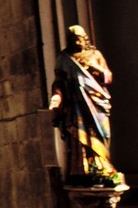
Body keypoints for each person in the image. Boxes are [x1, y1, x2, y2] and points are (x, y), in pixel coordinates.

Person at [49, 24, 120, 184]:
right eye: (73, 40)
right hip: (76, 106)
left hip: (96, 102)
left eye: (79, 39)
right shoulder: (64, 58)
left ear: (85, 39)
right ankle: (81, 170)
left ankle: (103, 168)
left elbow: (108, 77)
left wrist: (97, 68)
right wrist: (56, 97)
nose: (77, 43)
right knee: (78, 137)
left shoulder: (95, 54)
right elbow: (59, 82)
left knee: (102, 133)